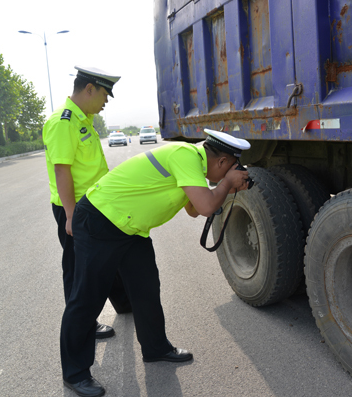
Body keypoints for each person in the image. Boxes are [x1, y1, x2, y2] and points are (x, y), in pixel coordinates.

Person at [60, 129, 251, 397]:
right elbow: (207, 207)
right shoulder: (184, 155)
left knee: (146, 289)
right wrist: (226, 184)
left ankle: (156, 348)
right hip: (100, 221)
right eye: (232, 168)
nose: (231, 173)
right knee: (87, 298)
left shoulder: (192, 165)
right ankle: (75, 373)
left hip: (131, 229)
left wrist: (226, 187)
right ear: (221, 162)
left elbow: (195, 208)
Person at [43, 66, 132, 341]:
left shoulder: (84, 119)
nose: (106, 101)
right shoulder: (63, 122)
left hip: (95, 204)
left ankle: (124, 303)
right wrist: (70, 217)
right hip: (76, 209)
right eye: (105, 94)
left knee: (110, 255)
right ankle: (83, 325)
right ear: (89, 89)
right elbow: (62, 170)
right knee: (77, 268)